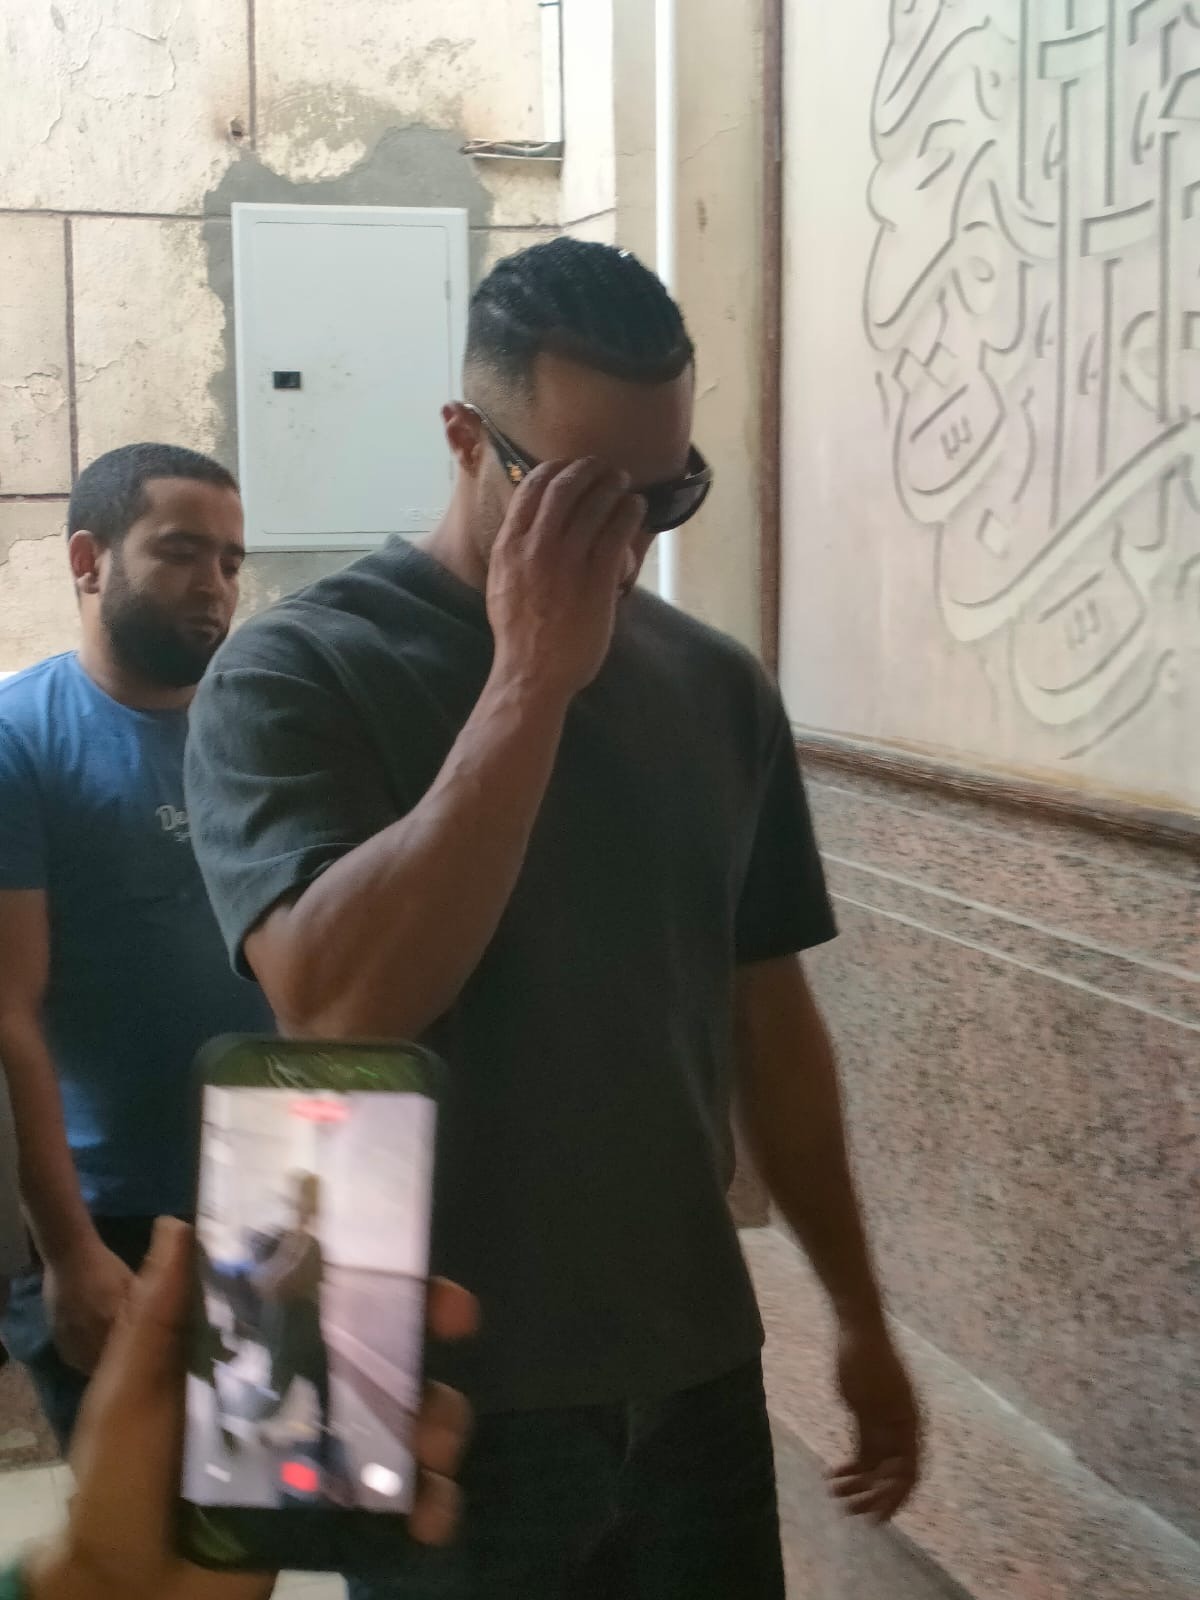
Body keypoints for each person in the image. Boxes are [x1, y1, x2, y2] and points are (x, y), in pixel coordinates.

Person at [185, 239, 921, 1599]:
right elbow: (334, 1005)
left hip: (690, 1369)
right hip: (431, 1398)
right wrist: (528, 681)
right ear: (466, 438)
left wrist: (861, 1317)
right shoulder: (298, 669)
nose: (625, 545)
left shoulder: (717, 689)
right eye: (580, 497)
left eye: (666, 496)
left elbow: (771, 1026)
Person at [0, 444, 274, 1447]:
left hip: (269, 1200)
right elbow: (9, 1011)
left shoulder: (261, 731)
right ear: (89, 559)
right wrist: (69, 1248)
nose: (215, 585)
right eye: (181, 551)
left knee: (266, 1499)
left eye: (231, 561)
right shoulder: (20, 741)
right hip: (108, 1218)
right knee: (137, 1512)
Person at [1, 1218, 475, 1600]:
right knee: (279, 1413)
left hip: (299, 1355)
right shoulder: (273, 1257)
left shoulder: (294, 1256)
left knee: (305, 1415)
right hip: (288, 1356)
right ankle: (267, 1463)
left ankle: (284, 1467)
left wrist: (96, 1583)